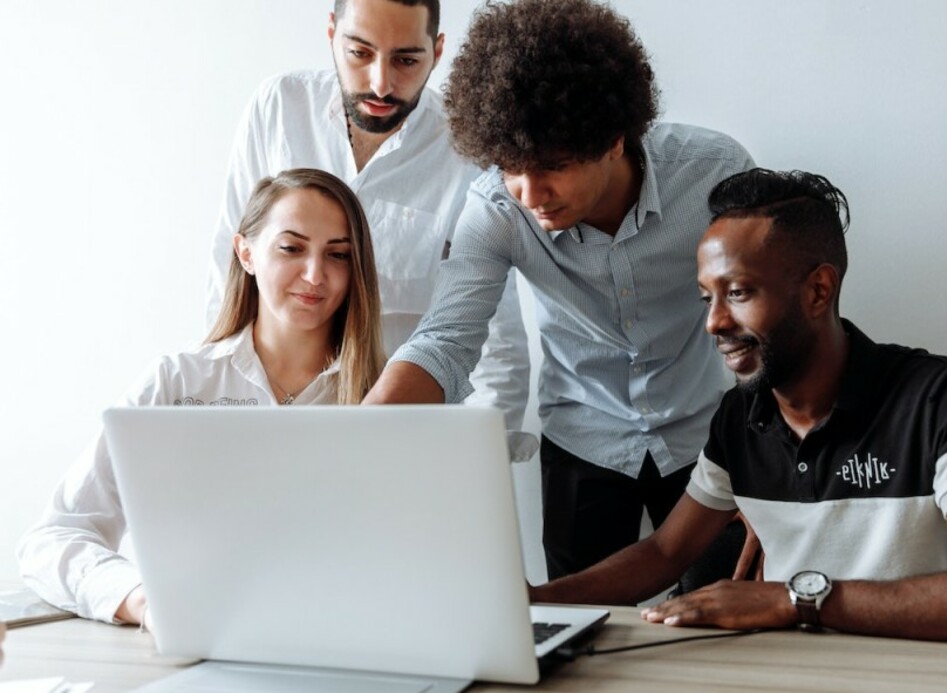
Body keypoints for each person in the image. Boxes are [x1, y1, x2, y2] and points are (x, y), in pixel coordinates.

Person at [531, 169, 947, 645]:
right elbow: (664, 554)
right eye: (705, 298)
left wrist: (792, 599)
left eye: (737, 293)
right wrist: (529, 603)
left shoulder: (936, 396)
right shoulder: (738, 418)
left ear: (819, 290)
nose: (713, 322)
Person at [364, 0, 756, 588]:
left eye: (554, 165)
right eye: (510, 166)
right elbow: (446, 339)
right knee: (581, 638)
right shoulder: (496, 207)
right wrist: (355, 444)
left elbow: (769, 322)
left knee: (721, 631)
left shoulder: (714, 172)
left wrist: (776, 464)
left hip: (710, 436)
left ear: (614, 139)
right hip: (583, 441)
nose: (529, 191)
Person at [18, 169, 386, 627]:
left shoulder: (385, 396)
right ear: (245, 253)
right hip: (192, 641)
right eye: (291, 248)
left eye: (339, 255)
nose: (315, 274)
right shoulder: (176, 383)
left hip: (343, 636)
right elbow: (52, 538)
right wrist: (142, 602)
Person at [208, 0, 533, 455]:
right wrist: (215, 410)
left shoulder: (466, 149)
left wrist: (478, 460)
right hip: (274, 429)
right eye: (360, 53)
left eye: (406, 59)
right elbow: (230, 269)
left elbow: (495, 327)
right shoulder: (279, 108)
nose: (382, 83)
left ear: (437, 51)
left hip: (405, 444)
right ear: (331, 34)